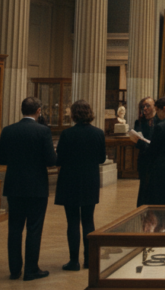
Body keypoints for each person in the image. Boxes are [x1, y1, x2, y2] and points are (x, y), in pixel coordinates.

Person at [0, 97, 56, 281]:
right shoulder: (43, 131)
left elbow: (2, 159)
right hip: (36, 186)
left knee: (14, 228)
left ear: (22, 110)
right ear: (38, 110)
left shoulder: (8, 130)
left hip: (14, 186)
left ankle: (15, 270)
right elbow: (51, 161)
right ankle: (31, 269)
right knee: (34, 228)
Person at [54, 99, 106, 271]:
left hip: (70, 179)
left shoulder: (67, 134)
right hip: (90, 179)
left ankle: (74, 261)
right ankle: (89, 260)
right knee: (88, 220)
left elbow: (59, 159)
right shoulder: (98, 133)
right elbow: (101, 159)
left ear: (74, 114)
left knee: (73, 221)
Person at [131, 97, 158, 206]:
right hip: (144, 158)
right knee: (144, 186)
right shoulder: (139, 122)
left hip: (156, 159)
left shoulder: (159, 121)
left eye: (147, 106)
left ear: (154, 107)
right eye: (143, 106)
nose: (145, 108)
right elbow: (138, 141)